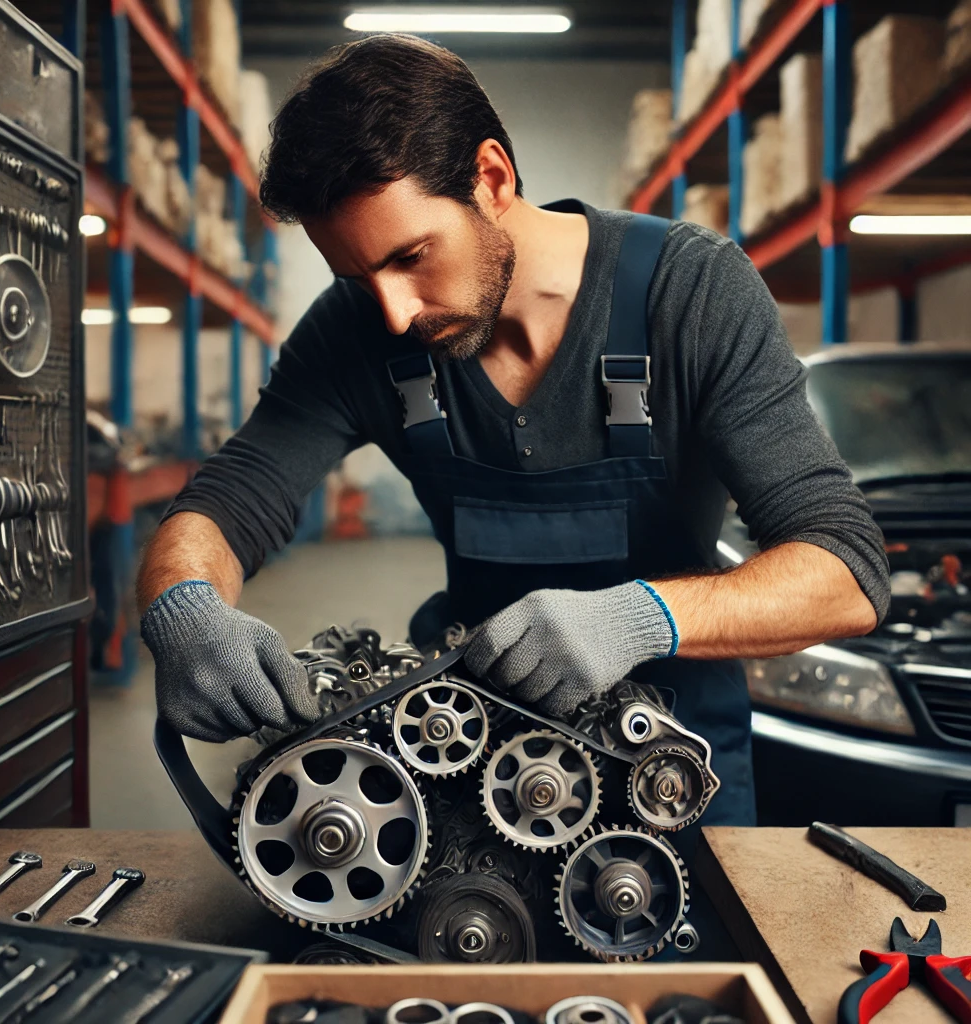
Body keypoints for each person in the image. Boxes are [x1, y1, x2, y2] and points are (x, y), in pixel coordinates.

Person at [136, 35, 889, 853]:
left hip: (673, 768)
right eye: (359, 278)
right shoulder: (359, 333)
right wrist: (184, 606)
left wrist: (639, 618)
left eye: (411, 257)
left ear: (492, 179)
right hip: (465, 758)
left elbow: (846, 568)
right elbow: (227, 500)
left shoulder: (693, 293)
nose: (393, 312)